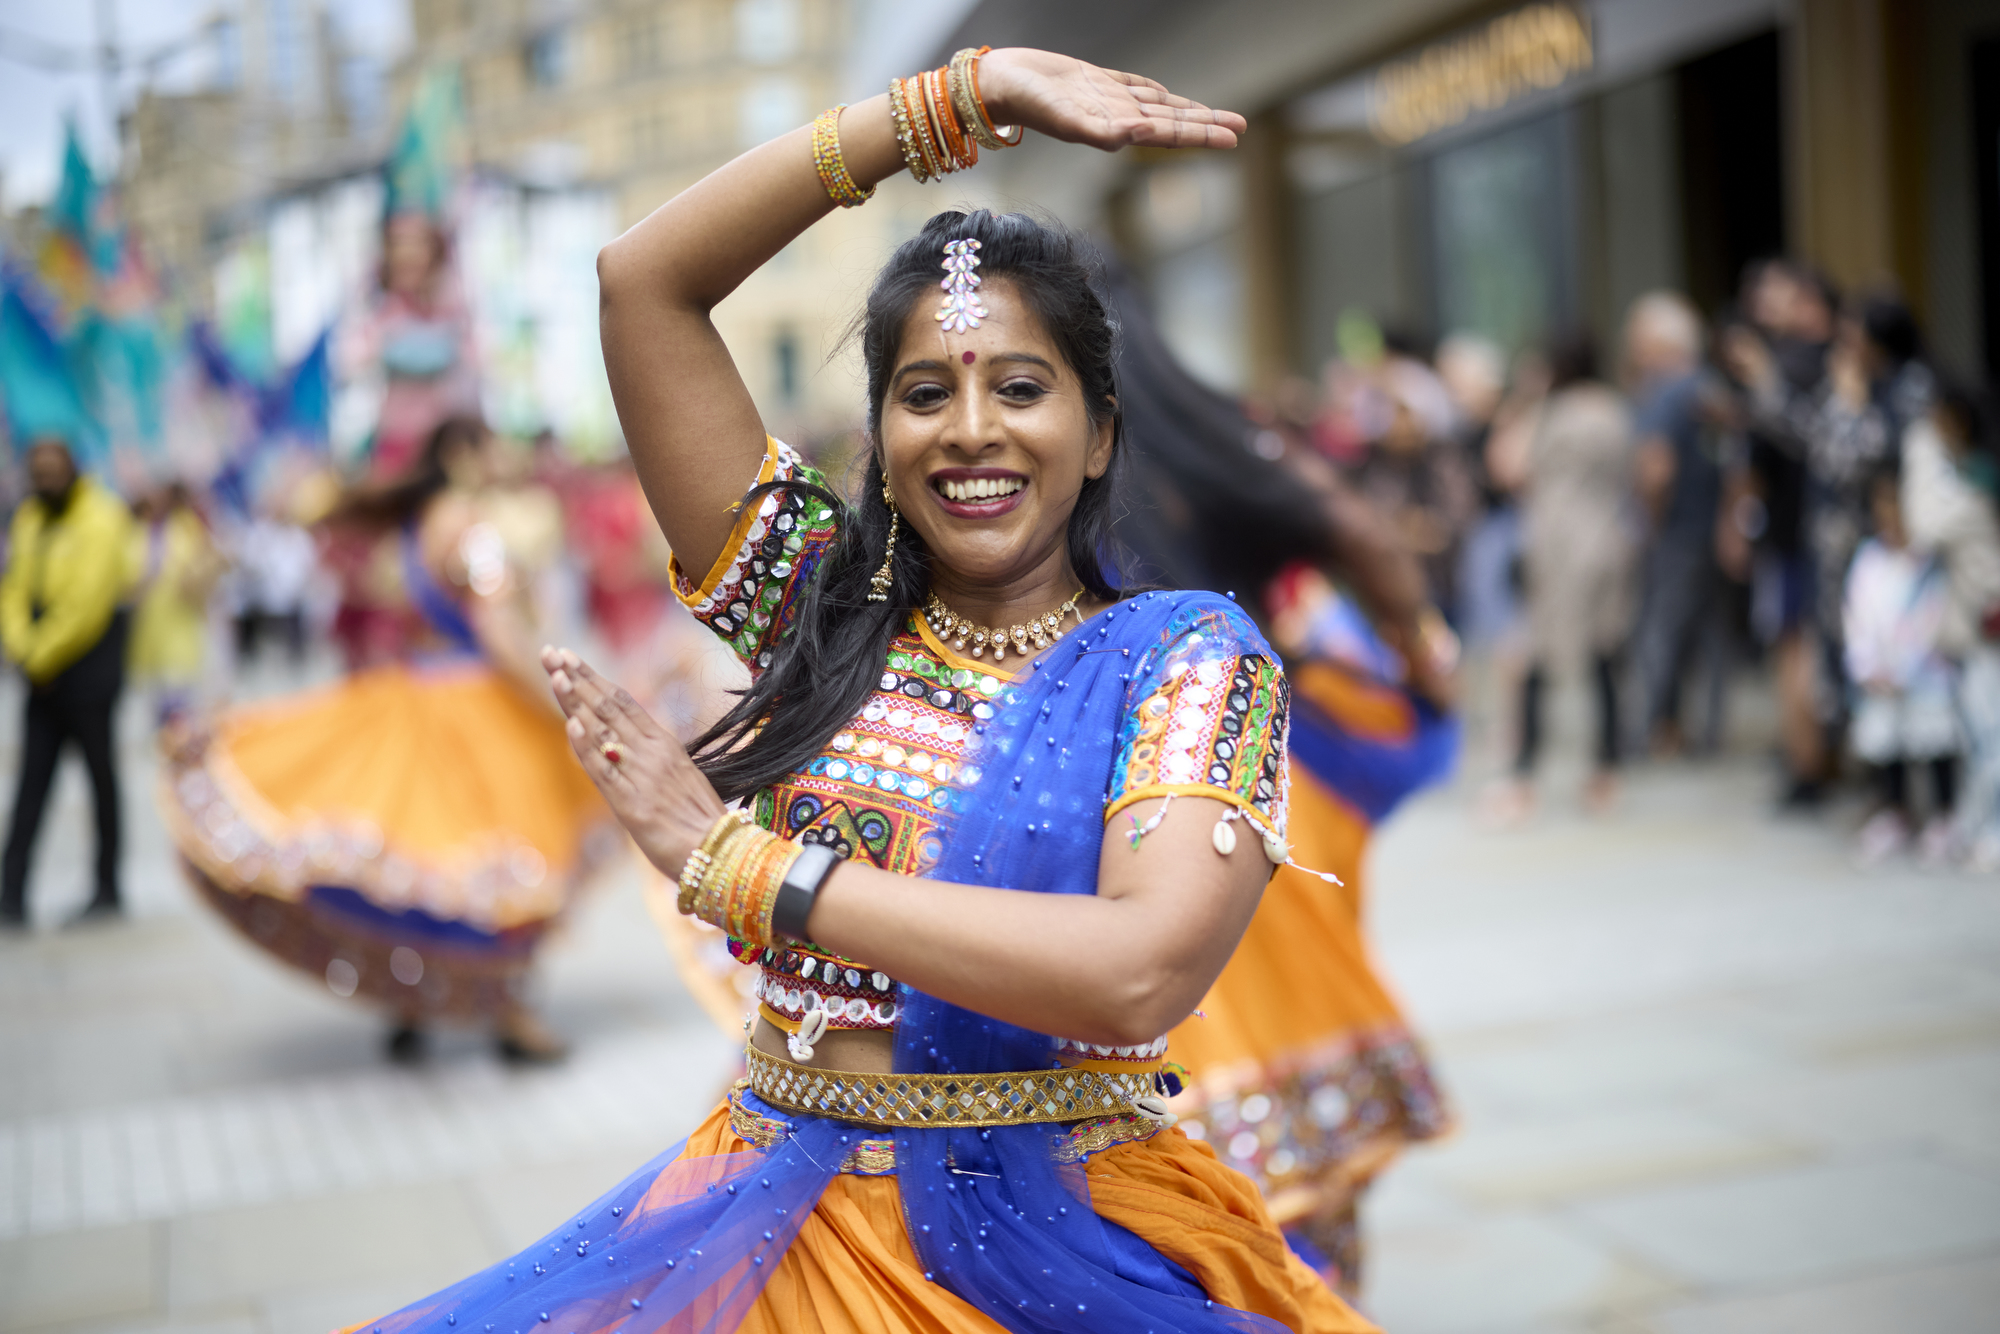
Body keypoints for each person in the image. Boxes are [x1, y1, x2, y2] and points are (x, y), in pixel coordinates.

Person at [357, 48, 1373, 1334]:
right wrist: (951, 103)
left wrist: (741, 868)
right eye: (921, 393)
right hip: (772, 1226)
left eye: (1019, 387)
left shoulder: (1184, 658)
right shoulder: (814, 610)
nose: (969, 430)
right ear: (879, 442)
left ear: (1099, 429)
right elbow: (644, 282)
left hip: (1062, 1245)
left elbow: (1137, 970)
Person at [159, 417, 612, 1062]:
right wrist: (559, 698)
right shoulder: (473, 530)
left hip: (419, 696)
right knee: (512, 857)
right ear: (463, 453)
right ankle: (510, 1018)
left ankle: (417, 1003)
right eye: (493, 448)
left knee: (430, 856)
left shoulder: (412, 529)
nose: (502, 462)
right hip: (479, 710)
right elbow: (499, 633)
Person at [1485, 333, 1638, 822]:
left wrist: (1524, 403)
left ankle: (1524, 775)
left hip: (1558, 545)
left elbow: (1508, 467)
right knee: (1603, 654)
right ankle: (1606, 770)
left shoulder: (1553, 413)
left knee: (1538, 656)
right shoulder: (1613, 410)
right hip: (1608, 537)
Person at [1, 439, 138, 929]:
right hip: (42, 675)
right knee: (31, 784)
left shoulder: (101, 518)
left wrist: (38, 654)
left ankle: (107, 887)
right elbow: (13, 586)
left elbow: (86, 604)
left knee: (101, 780)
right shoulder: (29, 517)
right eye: (38, 473)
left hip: (87, 672)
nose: (46, 481)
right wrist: (21, 646)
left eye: (53, 471)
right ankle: (11, 894)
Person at [1625, 292, 1729, 756]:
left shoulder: (1663, 392)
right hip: (1717, 528)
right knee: (1713, 635)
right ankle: (1709, 730)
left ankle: (1654, 728)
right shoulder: (1711, 387)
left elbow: (1656, 467)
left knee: (1661, 631)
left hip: (1676, 531)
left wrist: (1649, 521)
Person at [1901, 385, 2000, 865]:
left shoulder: (1978, 481)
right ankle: (1975, 826)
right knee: (1979, 734)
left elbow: (1923, 525)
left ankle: (1991, 830)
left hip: (1987, 629)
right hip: (1976, 628)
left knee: (1989, 735)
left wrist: (1919, 450)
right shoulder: (1976, 475)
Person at [1844, 466, 1961, 863]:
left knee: (1933, 740)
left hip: (1924, 673)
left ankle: (1943, 813)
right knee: (1885, 742)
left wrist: (1909, 667)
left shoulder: (1928, 561)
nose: (1889, 512)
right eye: (1882, 502)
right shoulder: (1868, 561)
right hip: (1882, 675)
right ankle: (1896, 810)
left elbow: (1935, 616)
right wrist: (1867, 664)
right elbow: (1856, 617)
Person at [128, 482, 225, 724]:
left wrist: (195, 579)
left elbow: (208, 567)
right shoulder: (139, 531)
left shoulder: (187, 527)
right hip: (149, 626)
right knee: (156, 698)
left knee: (181, 701)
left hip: (182, 622)